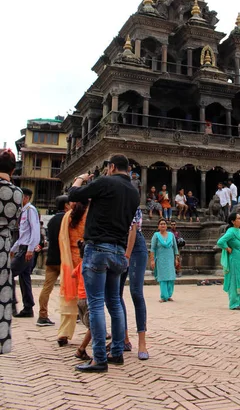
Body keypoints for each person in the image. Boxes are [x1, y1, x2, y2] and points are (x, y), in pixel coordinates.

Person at [69, 154, 139, 373]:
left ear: (110, 167)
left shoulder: (105, 181)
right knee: (115, 303)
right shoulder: (134, 192)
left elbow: (74, 195)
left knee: (96, 304)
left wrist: (80, 179)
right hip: (119, 251)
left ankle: (99, 358)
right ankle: (116, 352)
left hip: (98, 248)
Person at [0, 149, 22, 353]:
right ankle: (2, 341)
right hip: (3, 246)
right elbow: (15, 222)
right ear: (13, 169)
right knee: (3, 293)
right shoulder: (17, 193)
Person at [37, 195, 71, 327]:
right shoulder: (68, 219)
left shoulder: (51, 221)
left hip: (51, 258)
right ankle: (74, 314)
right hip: (65, 259)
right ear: (66, 206)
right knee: (69, 288)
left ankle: (42, 315)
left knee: (47, 288)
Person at [57, 201, 88, 347]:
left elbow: (62, 238)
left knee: (69, 296)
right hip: (86, 259)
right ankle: (94, 330)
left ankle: (64, 332)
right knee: (89, 298)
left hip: (70, 259)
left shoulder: (68, 216)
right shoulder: (90, 215)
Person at [124, 205, 149, 360]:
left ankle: (142, 342)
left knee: (136, 293)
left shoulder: (132, 200)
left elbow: (133, 229)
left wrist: (126, 256)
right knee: (115, 294)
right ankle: (124, 338)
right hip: (118, 243)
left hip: (136, 245)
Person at [11, 187, 40, 318]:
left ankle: (11, 303)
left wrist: (30, 249)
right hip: (23, 248)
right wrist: (13, 249)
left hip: (26, 250)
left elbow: (35, 231)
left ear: (26, 198)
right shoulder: (23, 212)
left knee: (7, 274)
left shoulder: (30, 210)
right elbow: (23, 235)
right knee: (24, 278)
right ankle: (28, 308)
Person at [216, 212, 240, 310]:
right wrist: (227, 248)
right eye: (238, 218)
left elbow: (237, 236)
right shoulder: (230, 231)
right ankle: (233, 303)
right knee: (234, 279)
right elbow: (220, 242)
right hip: (234, 258)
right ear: (233, 221)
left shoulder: (237, 230)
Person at [150, 219, 179, 302]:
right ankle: (164, 296)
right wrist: (152, 260)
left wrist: (176, 259)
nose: (163, 225)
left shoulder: (171, 235)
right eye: (161, 224)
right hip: (160, 259)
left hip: (170, 259)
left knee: (171, 277)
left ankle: (169, 295)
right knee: (162, 278)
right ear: (158, 226)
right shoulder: (156, 235)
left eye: (164, 224)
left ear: (166, 226)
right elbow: (152, 249)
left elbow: (175, 248)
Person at [73, 240, 91, 362]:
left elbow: (72, 274)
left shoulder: (81, 264)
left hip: (80, 299)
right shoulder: (91, 265)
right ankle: (81, 349)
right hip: (88, 299)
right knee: (94, 327)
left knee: (91, 326)